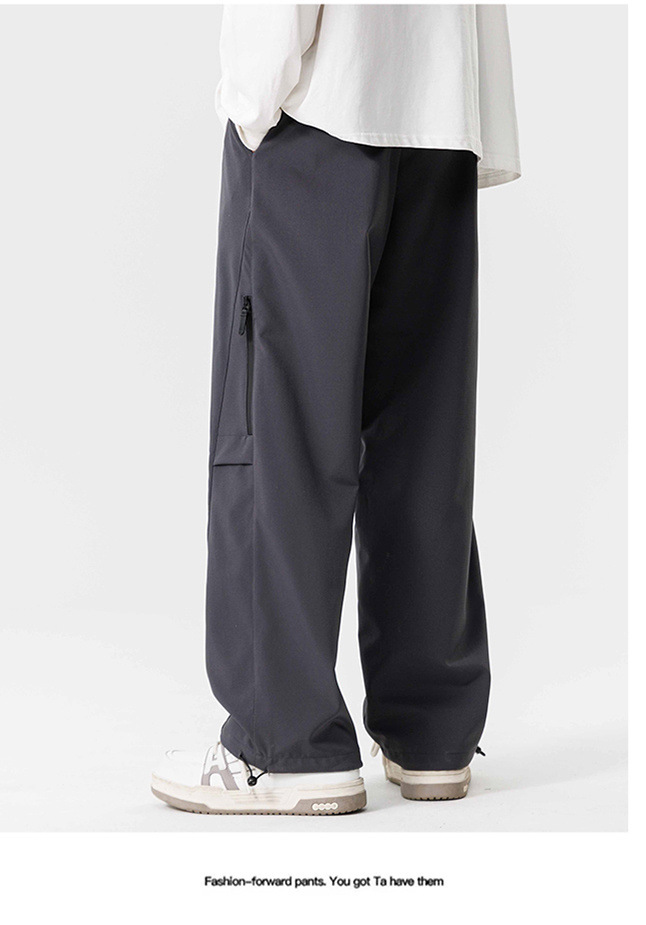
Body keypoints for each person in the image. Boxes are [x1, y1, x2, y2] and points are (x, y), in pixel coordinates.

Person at [152, 3, 520, 815]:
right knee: (422, 430)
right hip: (440, 107)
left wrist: (251, 91)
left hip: (322, 106)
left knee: (277, 422)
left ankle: (280, 744)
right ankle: (431, 730)